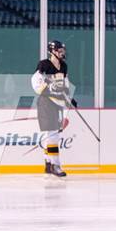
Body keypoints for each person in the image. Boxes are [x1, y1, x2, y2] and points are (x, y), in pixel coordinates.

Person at [31, 40, 77, 177]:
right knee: (53, 135)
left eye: (63, 50)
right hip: (46, 104)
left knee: (50, 135)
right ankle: (56, 165)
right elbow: (35, 80)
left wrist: (70, 98)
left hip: (58, 104)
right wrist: (47, 90)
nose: (63, 53)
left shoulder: (64, 66)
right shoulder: (44, 64)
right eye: (60, 50)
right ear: (53, 51)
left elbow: (65, 84)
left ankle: (48, 164)